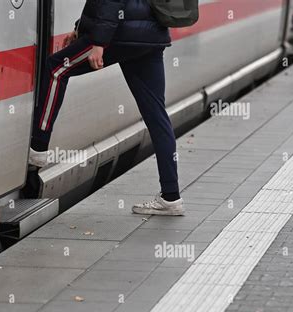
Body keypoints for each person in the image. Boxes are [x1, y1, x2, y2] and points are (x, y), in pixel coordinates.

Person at [29, 0, 185, 216]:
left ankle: (38, 148)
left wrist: (98, 43)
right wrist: (79, 29)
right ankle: (171, 196)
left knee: (56, 69)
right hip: (151, 35)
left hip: (119, 35)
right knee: (156, 114)